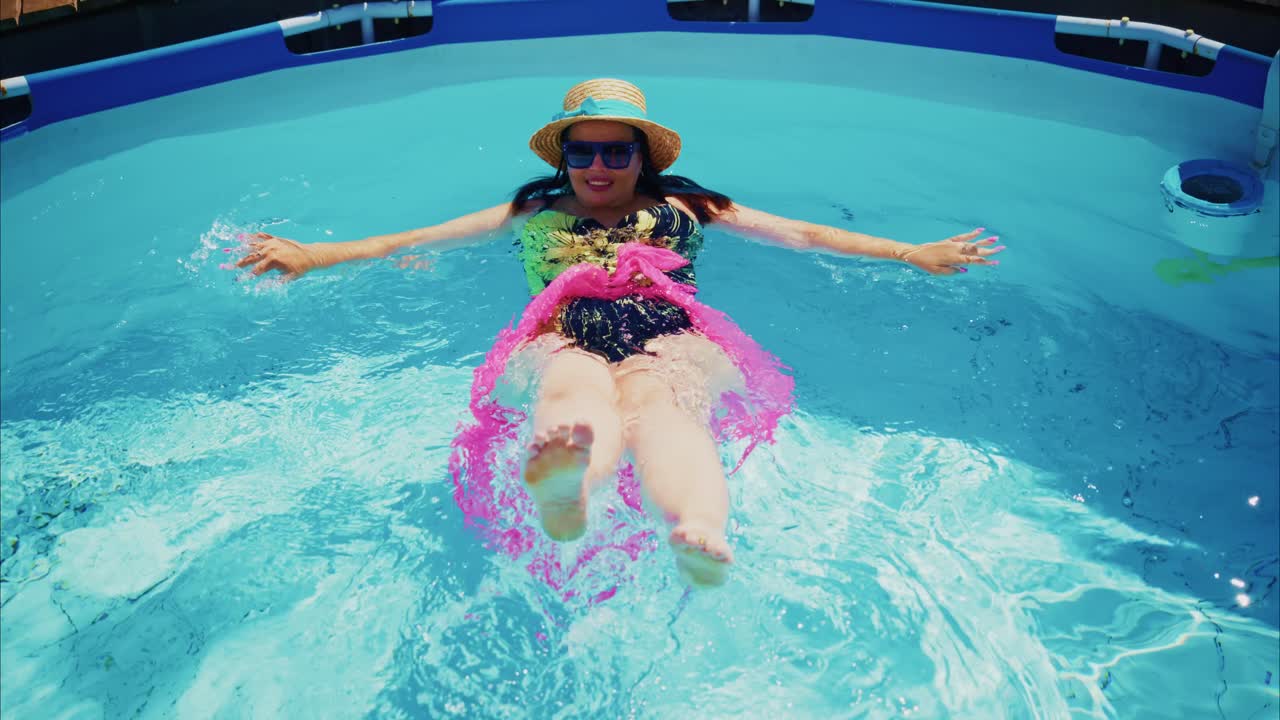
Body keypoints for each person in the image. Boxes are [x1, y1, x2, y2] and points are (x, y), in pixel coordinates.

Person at [235, 78, 1003, 588]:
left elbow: (801, 235)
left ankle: (696, 528)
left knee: (665, 402)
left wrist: (911, 252)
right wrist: (314, 254)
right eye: (583, 151)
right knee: (572, 384)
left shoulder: (692, 208)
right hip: (562, 333)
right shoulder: (534, 210)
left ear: (642, 156)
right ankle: (569, 494)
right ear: (563, 157)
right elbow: (417, 240)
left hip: (669, 334)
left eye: (615, 151)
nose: (598, 167)